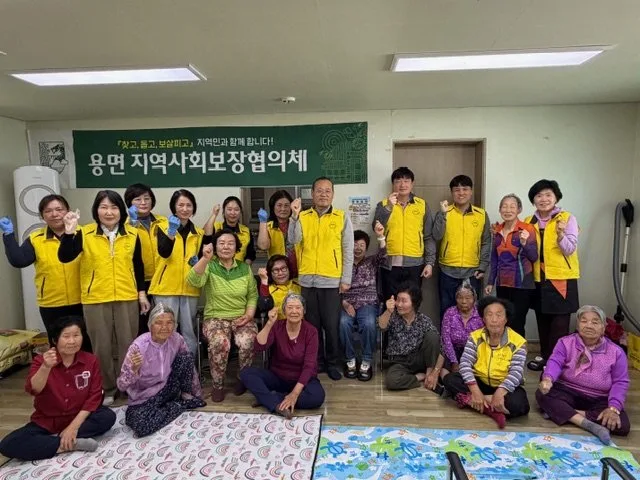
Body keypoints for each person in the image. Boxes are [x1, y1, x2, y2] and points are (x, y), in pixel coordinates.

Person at [58, 190, 151, 406]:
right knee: (102, 348)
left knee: (128, 345)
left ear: (121, 211)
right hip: (95, 298)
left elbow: (138, 266)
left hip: (126, 296)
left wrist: (141, 294)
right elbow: (65, 257)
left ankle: (128, 385)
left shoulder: (132, 233)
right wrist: (69, 233)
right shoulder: (84, 233)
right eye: (104, 207)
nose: (109, 212)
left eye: (114, 207)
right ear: (96, 210)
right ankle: (107, 388)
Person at [0, 316, 116, 461]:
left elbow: (94, 397)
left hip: (77, 417)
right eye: (66, 336)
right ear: (55, 340)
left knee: (107, 417)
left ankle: (53, 440)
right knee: (8, 444)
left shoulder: (90, 360)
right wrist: (45, 367)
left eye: (76, 335)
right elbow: (33, 389)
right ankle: (65, 444)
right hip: (48, 420)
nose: (72, 341)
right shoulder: (41, 360)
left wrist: (73, 427)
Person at [0, 194, 91, 351]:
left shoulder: (84, 234)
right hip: (52, 302)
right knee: (58, 345)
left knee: (86, 344)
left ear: (68, 211)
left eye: (59, 209)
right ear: (42, 216)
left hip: (84, 299)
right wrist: (8, 235)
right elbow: (19, 260)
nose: (54, 214)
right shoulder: (36, 238)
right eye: (48, 211)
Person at [289, 177, 354, 381]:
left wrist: (346, 279)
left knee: (331, 326)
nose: (323, 194)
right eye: (319, 190)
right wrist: (294, 217)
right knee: (312, 327)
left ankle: (333, 363)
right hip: (307, 281)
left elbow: (348, 250)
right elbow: (293, 240)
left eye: (327, 191)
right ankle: (315, 363)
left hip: (332, 281)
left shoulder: (341, 217)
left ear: (333, 194)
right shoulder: (303, 216)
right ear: (312, 193)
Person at [536, 305, 630, 445]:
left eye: (595, 322)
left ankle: (567, 413)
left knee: (622, 424)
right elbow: (555, 361)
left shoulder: (616, 352)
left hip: (599, 398)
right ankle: (590, 425)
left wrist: (613, 408)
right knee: (542, 394)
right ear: (577, 325)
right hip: (567, 390)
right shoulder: (565, 342)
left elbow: (620, 382)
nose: (589, 325)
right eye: (584, 321)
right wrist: (548, 379)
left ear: (603, 328)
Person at [187, 229, 258, 402]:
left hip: (241, 316)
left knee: (248, 340)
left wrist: (249, 315)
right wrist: (205, 258)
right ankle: (217, 385)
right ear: (215, 246)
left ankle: (243, 379)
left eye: (230, 243)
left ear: (236, 248)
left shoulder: (244, 268)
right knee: (220, 341)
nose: (226, 247)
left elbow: (252, 295)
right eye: (222, 243)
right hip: (215, 317)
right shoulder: (210, 265)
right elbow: (193, 281)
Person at [117, 303, 206, 437]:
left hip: (169, 388)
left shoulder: (177, 339)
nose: (165, 327)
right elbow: (121, 386)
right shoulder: (139, 346)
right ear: (150, 325)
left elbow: (189, 367)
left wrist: (197, 395)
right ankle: (178, 405)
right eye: (159, 323)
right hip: (145, 397)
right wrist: (133, 370)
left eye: (169, 323)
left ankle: (182, 399)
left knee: (186, 357)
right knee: (140, 426)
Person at [442, 296, 530, 429]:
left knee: (520, 405)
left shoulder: (518, 342)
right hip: (480, 382)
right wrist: (475, 390)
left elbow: (516, 372)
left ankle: (472, 401)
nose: (494, 320)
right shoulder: (475, 337)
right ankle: (491, 410)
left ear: (506, 319)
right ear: (483, 319)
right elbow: (465, 363)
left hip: (504, 386)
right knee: (450, 379)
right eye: (489, 315)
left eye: (499, 315)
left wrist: (500, 392)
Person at [524, 179, 580, 371]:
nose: (543, 199)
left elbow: (569, 249)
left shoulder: (567, 218)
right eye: (539, 195)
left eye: (548, 195)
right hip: (538, 278)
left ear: (556, 197)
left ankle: (557, 363)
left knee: (559, 325)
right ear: (533, 200)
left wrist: (561, 235)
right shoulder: (528, 221)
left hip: (561, 278)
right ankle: (546, 357)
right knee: (542, 320)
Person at [241, 294, 325, 418]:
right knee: (246, 373)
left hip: (302, 379)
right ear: (284, 311)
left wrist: (295, 394)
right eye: (290, 307)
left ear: (304, 311)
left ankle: (269, 399)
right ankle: (274, 402)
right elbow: (259, 346)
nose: (294, 311)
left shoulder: (311, 331)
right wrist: (269, 323)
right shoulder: (277, 326)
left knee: (317, 397)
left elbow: (309, 366)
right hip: (278, 376)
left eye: (298, 308)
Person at [149, 189, 210, 355]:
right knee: (166, 329)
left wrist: (196, 262)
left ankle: (189, 367)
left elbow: (201, 259)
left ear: (193, 208)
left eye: (189, 205)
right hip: (166, 287)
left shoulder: (198, 233)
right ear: (174, 207)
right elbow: (163, 252)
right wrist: (170, 233)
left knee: (189, 330)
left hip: (189, 288)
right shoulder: (161, 227)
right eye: (181, 205)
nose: (185, 209)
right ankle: (164, 366)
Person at [373, 166, 436, 300]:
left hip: (415, 264)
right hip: (389, 264)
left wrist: (429, 263)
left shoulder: (422, 205)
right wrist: (388, 207)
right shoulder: (383, 204)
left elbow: (428, 236)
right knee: (390, 302)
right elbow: (376, 226)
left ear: (412, 184)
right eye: (398, 181)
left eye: (406, 181)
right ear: (393, 184)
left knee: (412, 302)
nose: (402, 185)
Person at [433, 175, 491, 318]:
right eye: (457, 190)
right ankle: (446, 334)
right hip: (448, 270)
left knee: (472, 311)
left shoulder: (481, 215)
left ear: (471, 192)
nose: (461, 193)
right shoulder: (445, 212)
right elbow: (436, 235)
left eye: (465, 189)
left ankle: (472, 334)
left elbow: (486, 242)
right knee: (447, 310)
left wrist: (483, 266)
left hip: (473, 271)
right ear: (452, 192)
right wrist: (442, 215)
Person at [484, 194, 538, 337]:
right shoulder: (497, 230)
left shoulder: (527, 229)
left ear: (519, 209)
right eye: (504, 206)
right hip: (502, 284)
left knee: (517, 323)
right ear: (500, 209)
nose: (508, 210)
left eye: (512, 207)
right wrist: (491, 282)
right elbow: (494, 258)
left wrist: (525, 243)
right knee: (503, 321)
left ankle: (518, 351)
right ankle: (504, 350)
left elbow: (534, 257)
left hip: (522, 285)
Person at [340, 222, 386, 381]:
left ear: (366, 248)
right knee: (343, 323)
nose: (357, 248)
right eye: (355, 244)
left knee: (368, 323)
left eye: (361, 245)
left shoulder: (371, 261)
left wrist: (381, 236)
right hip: (347, 303)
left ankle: (366, 361)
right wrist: (345, 303)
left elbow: (383, 255)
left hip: (368, 304)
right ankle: (350, 360)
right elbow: (336, 288)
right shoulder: (342, 264)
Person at [379, 283, 440, 391]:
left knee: (433, 336)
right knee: (392, 381)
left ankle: (429, 373)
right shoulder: (393, 316)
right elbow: (381, 326)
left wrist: (434, 371)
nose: (399, 304)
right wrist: (388, 311)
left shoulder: (423, 320)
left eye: (404, 301)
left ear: (414, 303)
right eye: (398, 300)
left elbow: (439, 345)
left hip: (418, 359)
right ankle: (419, 377)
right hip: (399, 362)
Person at [124, 183, 167, 335]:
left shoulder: (163, 222)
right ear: (129, 202)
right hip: (137, 281)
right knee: (142, 324)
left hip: (162, 279)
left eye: (147, 198)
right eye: (137, 199)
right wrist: (132, 224)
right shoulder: (124, 225)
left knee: (164, 322)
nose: (143, 203)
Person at [425, 282, 483, 391]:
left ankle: (456, 387)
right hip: (453, 350)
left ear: (474, 299)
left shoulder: (480, 315)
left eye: (468, 298)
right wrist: (454, 361)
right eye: (460, 298)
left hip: (473, 352)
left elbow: (482, 341)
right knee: (443, 364)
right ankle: (451, 385)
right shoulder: (450, 313)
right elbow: (446, 339)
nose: (464, 301)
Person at [257, 190, 299, 278]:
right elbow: (263, 246)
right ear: (273, 207)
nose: (283, 209)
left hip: (299, 272)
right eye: (279, 205)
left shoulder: (298, 224)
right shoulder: (268, 226)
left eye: (286, 205)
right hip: (278, 274)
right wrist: (263, 222)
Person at [205, 196, 256, 264]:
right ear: (224, 211)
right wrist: (214, 214)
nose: (233, 213)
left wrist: (244, 267)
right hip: (217, 269)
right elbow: (206, 235)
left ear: (240, 212)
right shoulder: (216, 227)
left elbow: (250, 254)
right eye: (229, 209)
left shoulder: (246, 231)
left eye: (236, 210)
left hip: (239, 269)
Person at [257, 254, 301, 320]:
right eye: (275, 270)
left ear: (289, 269)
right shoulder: (268, 290)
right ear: (270, 273)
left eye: (283, 268)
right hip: (278, 325)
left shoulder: (300, 285)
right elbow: (263, 307)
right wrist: (264, 280)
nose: (280, 273)